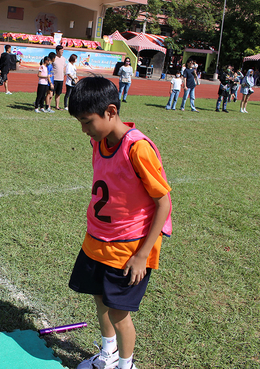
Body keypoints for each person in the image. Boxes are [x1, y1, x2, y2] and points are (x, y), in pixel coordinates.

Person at [67, 77, 172, 369]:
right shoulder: (98, 141)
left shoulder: (138, 149)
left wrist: (142, 255)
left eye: (87, 122)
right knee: (100, 300)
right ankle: (108, 354)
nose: (84, 129)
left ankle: (126, 366)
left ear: (111, 112)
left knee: (119, 313)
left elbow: (163, 202)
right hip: (97, 241)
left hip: (127, 249)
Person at [53, 45, 67, 110]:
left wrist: (64, 73)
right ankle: (47, 105)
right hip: (54, 78)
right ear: (57, 51)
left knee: (58, 93)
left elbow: (64, 67)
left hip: (61, 79)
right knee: (50, 93)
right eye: (61, 50)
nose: (62, 52)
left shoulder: (63, 59)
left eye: (63, 51)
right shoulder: (53, 58)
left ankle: (57, 106)